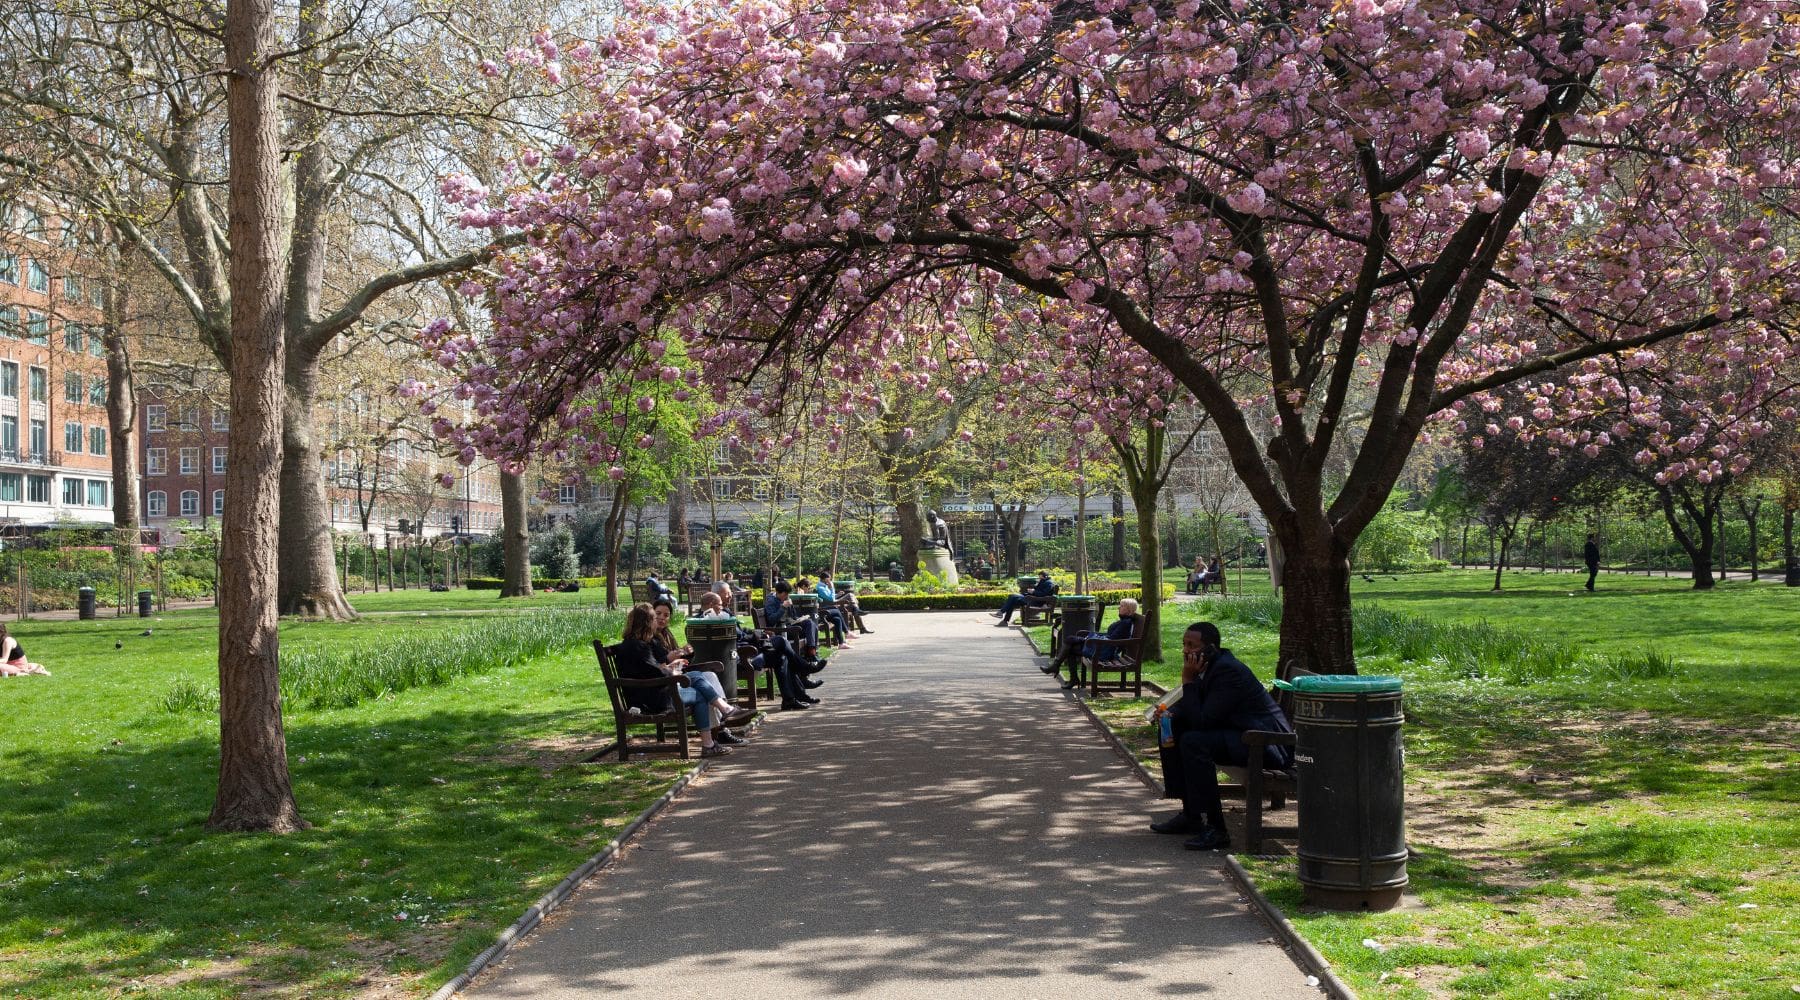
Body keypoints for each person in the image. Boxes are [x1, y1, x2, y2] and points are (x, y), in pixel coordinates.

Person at [1150, 621, 1293, 851]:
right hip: (1240, 734)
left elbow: (1203, 720)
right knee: (1171, 727)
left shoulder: (1227, 670)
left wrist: (1188, 680)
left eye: (1192, 645)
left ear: (1210, 648)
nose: (1186, 650)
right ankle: (1191, 814)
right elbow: (1198, 709)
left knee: (1194, 742)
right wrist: (1169, 713)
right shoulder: (1208, 667)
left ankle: (1217, 829)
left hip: (1265, 744)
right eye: (1184, 644)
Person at [615, 603, 753, 757]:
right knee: (699, 689)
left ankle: (715, 731)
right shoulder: (638, 647)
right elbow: (656, 674)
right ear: (647, 622)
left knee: (697, 681)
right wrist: (672, 671)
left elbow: (650, 671)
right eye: (654, 618)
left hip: (653, 693)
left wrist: (670, 667)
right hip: (651, 700)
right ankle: (719, 723)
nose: (657, 621)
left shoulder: (636, 644)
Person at [695, 592, 819, 709]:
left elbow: (742, 631)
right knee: (781, 642)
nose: (729, 598)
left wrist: (760, 633)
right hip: (741, 656)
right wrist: (757, 636)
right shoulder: (704, 621)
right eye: (720, 604)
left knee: (781, 656)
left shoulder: (723, 613)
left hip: (751, 649)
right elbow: (738, 636)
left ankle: (791, 699)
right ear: (711, 604)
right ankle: (804, 669)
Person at [1058, 597, 1140, 690]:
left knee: (1070, 641)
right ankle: (1063, 672)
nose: (1119, 608)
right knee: (1071, 644)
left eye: (1122, 606)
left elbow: (1112, 640)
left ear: (1128, 609)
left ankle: (1059, 669)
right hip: (1103, 647)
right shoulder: (1125, 621)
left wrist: (1093, 639)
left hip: (1104, 651)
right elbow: (1111, 638)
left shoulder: (1125, 623)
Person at [763, 580, 821, 655]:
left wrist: (800, 618)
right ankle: (812, 653)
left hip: (789, 626)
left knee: (810, 623)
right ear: (779, 593)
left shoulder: (785, 598)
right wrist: (783, 607)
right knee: (810, 625)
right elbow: (772, 620)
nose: (787, 596)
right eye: (786, 594)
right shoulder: (771, 602)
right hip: (781, 630)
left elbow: (793, 616)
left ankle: (812, 652)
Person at [814, 571, 867, 638]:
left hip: (833, 602)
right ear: (825, 579)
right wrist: (831, 587)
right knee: (850, 597)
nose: (830, 580)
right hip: (831, 605)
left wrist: (837, 595)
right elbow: (831, 599)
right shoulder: (821, 588)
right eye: (829, 579)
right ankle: (857, 614)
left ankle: (856, 611)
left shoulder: (824, 586)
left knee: (851, 599)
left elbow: (831, 596)